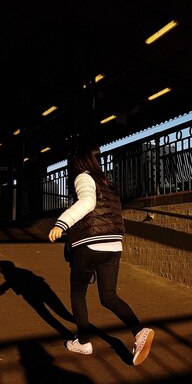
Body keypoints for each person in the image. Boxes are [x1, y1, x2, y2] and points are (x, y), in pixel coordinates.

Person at [48, 142, 154, 365]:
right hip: (114, 245)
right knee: (109, 297)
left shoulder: (83, 177)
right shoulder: (108, 184)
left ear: (76, 162)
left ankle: (84, 342)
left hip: (91, 246)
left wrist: (62, 224)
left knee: (78, 295)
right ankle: (138, 331)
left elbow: (88, 202)